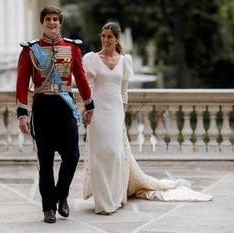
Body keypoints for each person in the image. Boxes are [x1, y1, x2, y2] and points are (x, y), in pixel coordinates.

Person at [82, 22, 213, 215]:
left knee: (116, 155)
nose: (105, 40)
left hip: (116, 112)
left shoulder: (124, 61)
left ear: (117, 39)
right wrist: (87, 109)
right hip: (98, 111)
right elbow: (88, 88)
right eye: (103, 36)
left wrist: (122, 113)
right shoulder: (91, 59)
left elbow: (124, 91)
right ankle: (103, 202)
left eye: (110, 36)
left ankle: (116, 197)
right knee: (99, 156)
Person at [16, 6, 94, 223]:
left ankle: (62, 196)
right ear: (42, 22)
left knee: (72, 157)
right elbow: (22, 83)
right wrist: (22, 114)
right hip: (42, 109)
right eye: (48, 19)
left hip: (64, 108)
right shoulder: (30, 50)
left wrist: (90, 106)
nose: (51, 23)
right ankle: (48, 208)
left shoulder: (72, 47)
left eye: (55, 19)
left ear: (60, 22)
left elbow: (81, 77)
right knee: (46, 162)